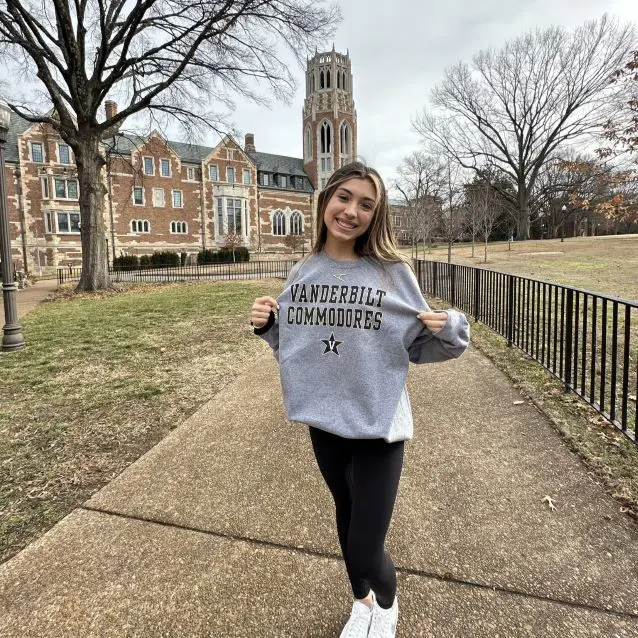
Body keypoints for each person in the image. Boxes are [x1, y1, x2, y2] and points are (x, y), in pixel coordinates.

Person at [250, 162, 470, 638]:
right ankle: (362, 601)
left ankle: (386, 606)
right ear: (325, 200)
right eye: (344, 197)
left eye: (365, 204)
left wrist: (451, 330)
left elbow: (421, 345)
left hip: (379, 426)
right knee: (346, 518)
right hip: (324, 425)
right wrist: (269, 328)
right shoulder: (304, 270)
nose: (351, 211)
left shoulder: (393, 273)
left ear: (377, 214)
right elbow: (296, 346)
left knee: (365, 544)